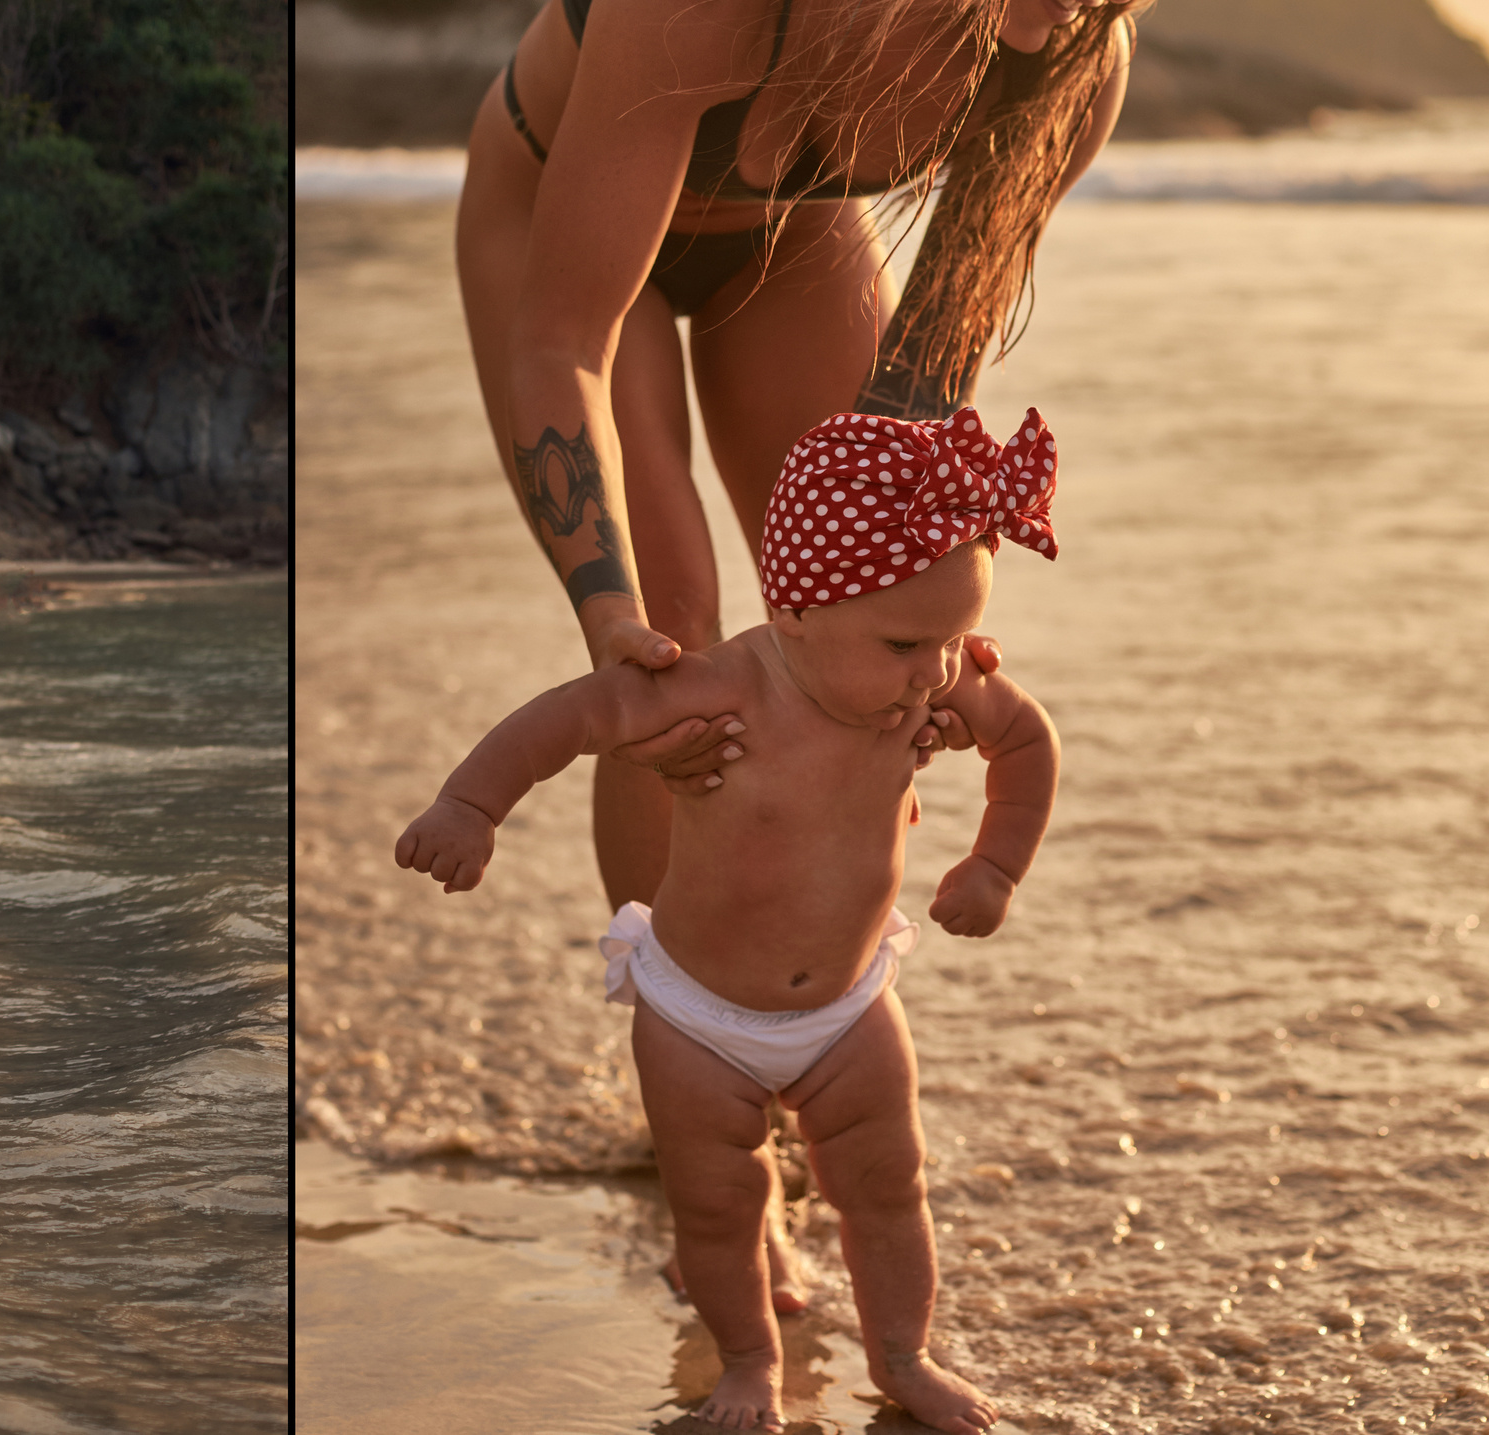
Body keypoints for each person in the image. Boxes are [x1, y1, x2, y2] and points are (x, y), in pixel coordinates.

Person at [454, 0, 1239, 911]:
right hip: (548, 211)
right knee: (677, 632)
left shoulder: (1071, 66)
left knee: (876, 640)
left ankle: (811, 1026)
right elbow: (562, 338)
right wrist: (605, 616)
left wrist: (922, 624)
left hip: (786, 235)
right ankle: (672, 1043)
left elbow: (917, 408)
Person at [397, 407, 1064, 1433]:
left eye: (952, 638)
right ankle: (747, 1364)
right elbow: (572, 716)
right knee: (716, 1207)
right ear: (796, 612)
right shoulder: (714, 694)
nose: (934, 673)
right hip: (696, 1021)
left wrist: (994, 866)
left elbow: (1026, 742)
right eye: (902, 644)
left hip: (848, 1012)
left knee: (889, 1189)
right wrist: (467, 807)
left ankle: (903, 1356)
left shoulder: (924, 691)